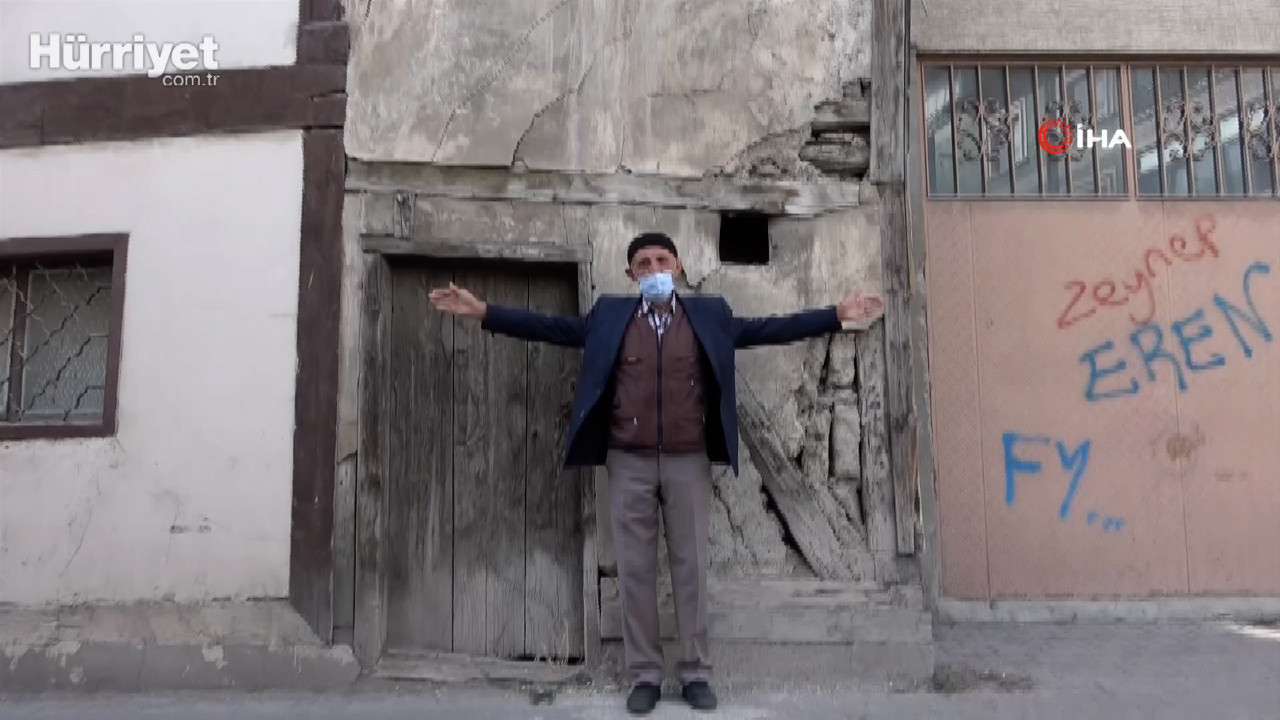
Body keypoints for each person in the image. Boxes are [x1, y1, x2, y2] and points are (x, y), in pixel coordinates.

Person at [428, 231, 884, 714]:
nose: (654, 270)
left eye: (662, 260)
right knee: (636, 571)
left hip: (688, 461)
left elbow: (770, 329)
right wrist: (484, 312)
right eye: (643, 264)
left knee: (691, 569)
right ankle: (644, 675)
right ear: (631, 275)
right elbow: (551, 327)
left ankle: (696, 674)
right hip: (628, 462)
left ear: (678, 266)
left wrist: (837, 313)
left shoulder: (710, 315)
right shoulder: (609, 316)